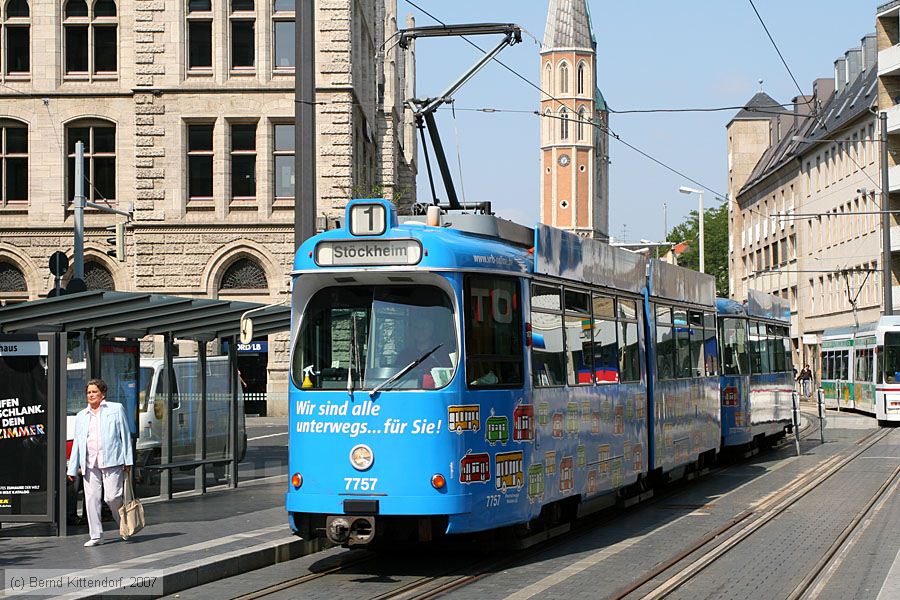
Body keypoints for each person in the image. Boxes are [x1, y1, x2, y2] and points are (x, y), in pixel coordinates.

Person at [67, 378, 134, 546]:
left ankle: (123, 525)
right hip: (89, 463)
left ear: (102, 393)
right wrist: (72, 469)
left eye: (94, 391)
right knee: (91, 500)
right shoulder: (81, 415)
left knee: (112, 497)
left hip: (112, 460)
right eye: (89, 392)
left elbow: (125, 435)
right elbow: (78, 442)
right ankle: (96, 535)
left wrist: (128, 460)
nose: (91, 395)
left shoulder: (116, 409)